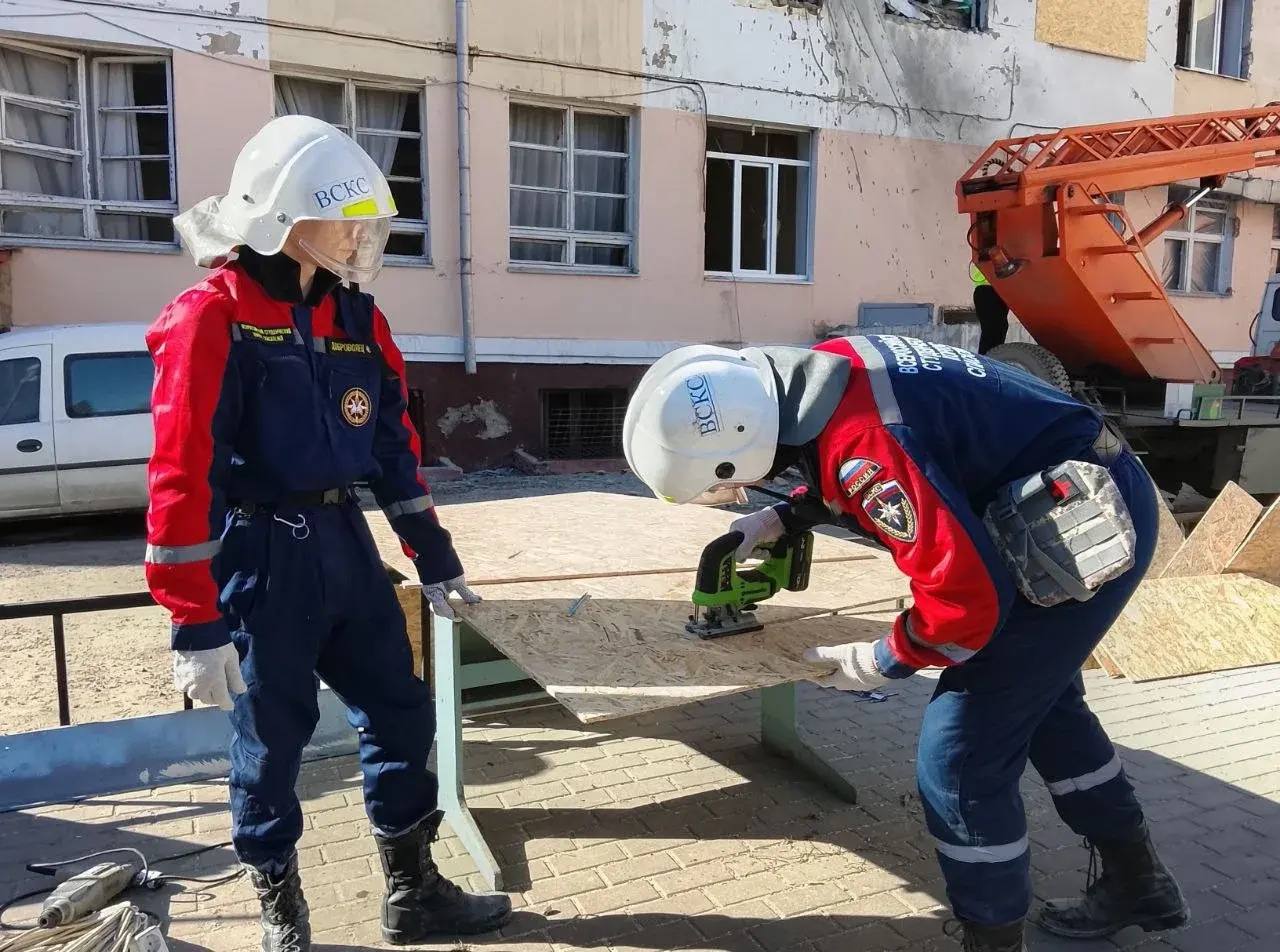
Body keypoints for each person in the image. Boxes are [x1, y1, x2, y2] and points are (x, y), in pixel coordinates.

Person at [621, 335, 1188, 952]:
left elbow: (966, 604)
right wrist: (785, 515)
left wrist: (884, 658)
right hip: (1067, 484)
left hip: (1082, 518)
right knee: (1044, 705)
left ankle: (995, 938)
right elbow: (894, 443)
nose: (738, 493)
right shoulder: (815, 376)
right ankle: (1138, 881)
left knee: (960, 755)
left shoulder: (865, 448)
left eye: (730, 485)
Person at [145, 116, 511, 952]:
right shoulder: (213, 317)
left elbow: (392, 447)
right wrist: (195, 622)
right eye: (341, 216)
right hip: (261, 555)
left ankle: (412, 893)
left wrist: (435, 558)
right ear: (282, 218)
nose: (355, 235)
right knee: (272, 743)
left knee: (400, 711)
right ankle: (283, 912)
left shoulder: (357, 318)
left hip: (345, 542)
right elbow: (180, 473)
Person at [971, 262, 1010, 354]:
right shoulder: (988, 255)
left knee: (999, 329)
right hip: (988, 290)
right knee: (992, 331)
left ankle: (991, 360)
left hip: (995, 290)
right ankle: (988, 361)